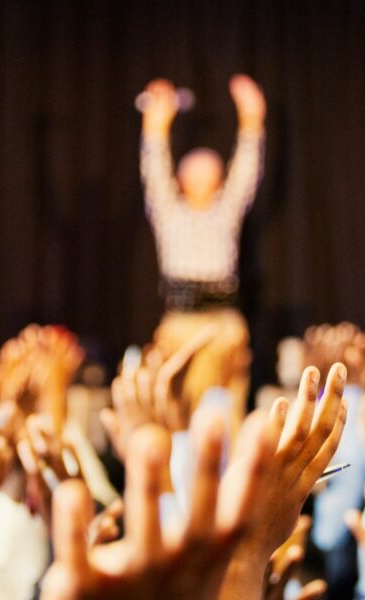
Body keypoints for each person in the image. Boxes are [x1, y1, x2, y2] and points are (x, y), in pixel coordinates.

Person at [138, 74, 266, 426]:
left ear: (219, 178)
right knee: (179, 409)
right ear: (180, 180)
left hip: (223, 322)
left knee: (225, 412)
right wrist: (155, 125)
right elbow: (154, 169)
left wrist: (252, 119)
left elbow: (246, 173)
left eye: (210, 171)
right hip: (181, 321)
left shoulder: (225, 212)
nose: (201, 176)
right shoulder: (169, 212)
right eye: (193, 172)